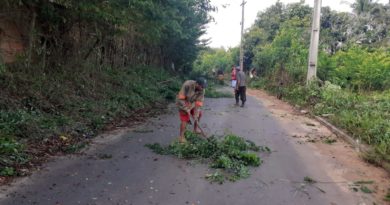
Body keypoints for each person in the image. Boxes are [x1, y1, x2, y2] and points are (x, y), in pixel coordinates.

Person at [176, 78, 207, 143]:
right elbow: (181, 98)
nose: (203, 88)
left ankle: (195, 129)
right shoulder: (187, 84)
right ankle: (181, 137)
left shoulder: (202, 90)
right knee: (185, 119)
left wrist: (196, 113)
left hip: (192, 103)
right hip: (183, 102)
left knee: (198, 115)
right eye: (202, 86)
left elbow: (199, 102)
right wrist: (186, 109)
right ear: (197, 84)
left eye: (204, 87)